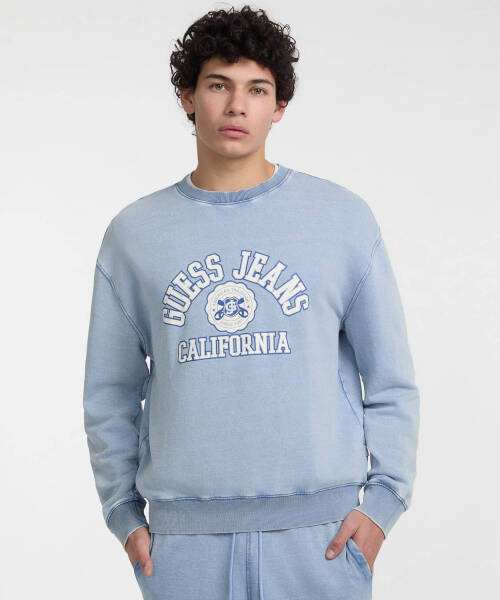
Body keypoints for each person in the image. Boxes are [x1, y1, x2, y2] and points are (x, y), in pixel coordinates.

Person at [83, 5, 420, 599]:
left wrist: (383, 503)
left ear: (279, 106)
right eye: (218, 85)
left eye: (257, 89)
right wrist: (124, 515)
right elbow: (109, 393)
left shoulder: (341, 220)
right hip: (183, 546)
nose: (237, 105)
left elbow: (391, 379)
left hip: (322, 540)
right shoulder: (136, 234)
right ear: (188, 97)